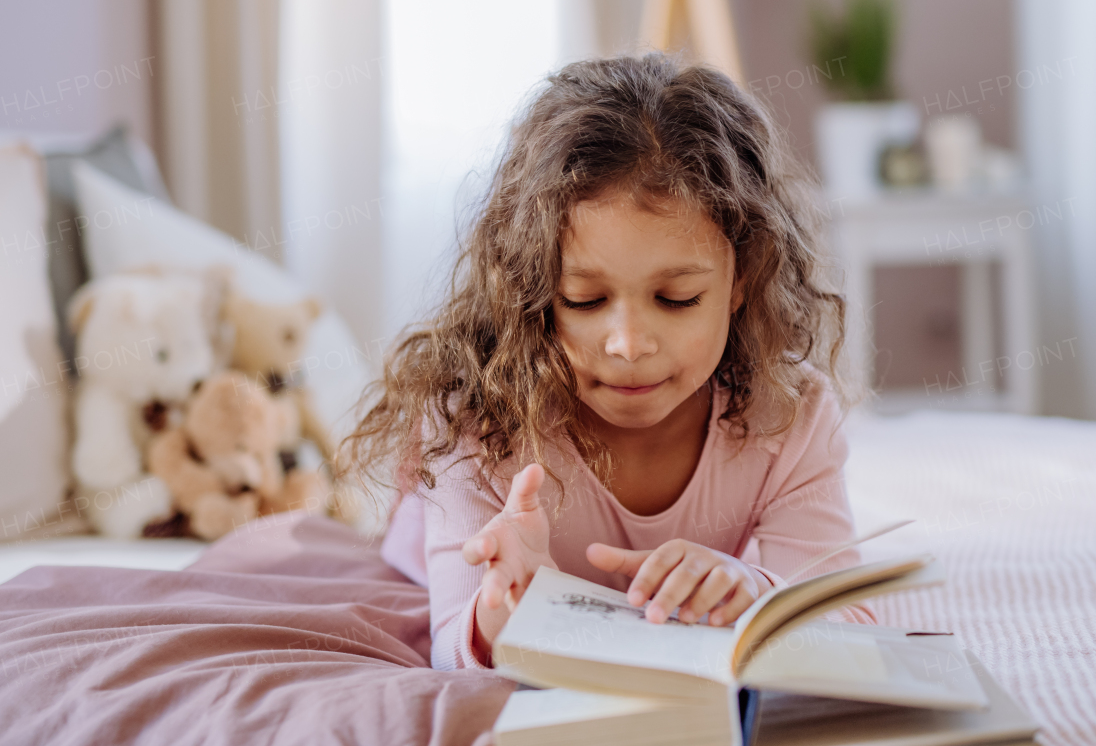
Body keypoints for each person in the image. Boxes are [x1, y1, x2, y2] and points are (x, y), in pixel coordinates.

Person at [341, 53, 876, 671]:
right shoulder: (475, 421)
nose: (627, 344)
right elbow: (453, 647)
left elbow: (847, 616)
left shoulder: (789, 415)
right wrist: (503, 615)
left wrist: (756, 592)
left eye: (676, 299)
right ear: (533, 288)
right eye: (585, 300)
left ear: (742, 280)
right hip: (426, 544)